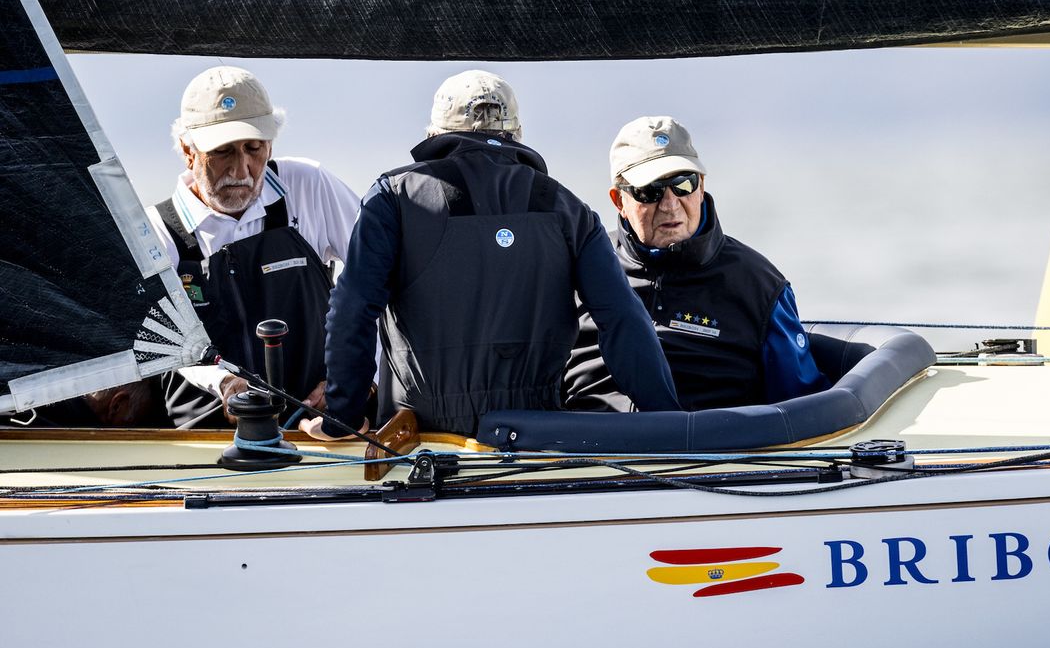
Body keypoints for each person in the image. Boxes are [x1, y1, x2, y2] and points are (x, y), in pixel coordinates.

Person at [301, 70, 680, 441]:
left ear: (435, 134)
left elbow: (353, 308)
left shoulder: (393, 197)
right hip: (533, 441)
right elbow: (622, 317)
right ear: (515, 134)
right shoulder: (567, 206)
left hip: (420, 443)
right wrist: (667, 421)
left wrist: (343, 416)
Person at [565, 116, 828, 411]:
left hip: (710, 454)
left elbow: (803, 411)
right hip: (581, 450)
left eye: (683, 184)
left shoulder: (759, 285)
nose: (669, 204)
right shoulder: (578, 269)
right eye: (649, 191)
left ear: (701, 187)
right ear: (619, 201)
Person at [147, 66, 362, 427]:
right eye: (222, 152)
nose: (242, 167)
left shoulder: (309, 184)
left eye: (253, 148)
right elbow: (162, 341)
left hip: (317, 422)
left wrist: (358, 379)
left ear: (271, 145)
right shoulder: (157, 230)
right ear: (188, 151)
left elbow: (384, 283)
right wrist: (224, 383)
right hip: (205, 434)